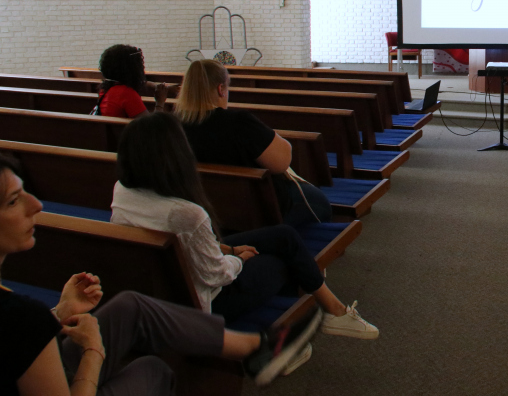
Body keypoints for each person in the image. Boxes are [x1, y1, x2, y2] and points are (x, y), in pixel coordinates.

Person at [0, 152, 313, 395]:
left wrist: (59, 313)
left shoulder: (22, 317)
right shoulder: (22, 318)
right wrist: (93, 351)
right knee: (153, 370)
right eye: (14, 201)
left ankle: (254, 348)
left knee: (131, 305)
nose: (36, 204)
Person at [111, 112, 378, 337]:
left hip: (172, 278)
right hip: (207, 301)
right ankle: (289, 337)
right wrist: (238, 259)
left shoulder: (123, 191)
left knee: (284, 236)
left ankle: (333, 311)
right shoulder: (187, 214)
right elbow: (217, 276)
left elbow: (188, 245)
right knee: (284, 261)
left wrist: (228, 249)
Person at [174, 59, 331, 228]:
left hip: (203, 210)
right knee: (318, 200)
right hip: (253, 212)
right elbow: (281, 163)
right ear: (221, 89)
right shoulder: (238, 122)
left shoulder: (173, 124)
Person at [94, 45, 169, 118]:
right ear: (132, 69)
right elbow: (151, 125)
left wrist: (153, 85)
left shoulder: (106, 88)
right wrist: (160, 102)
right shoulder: (127, 93)